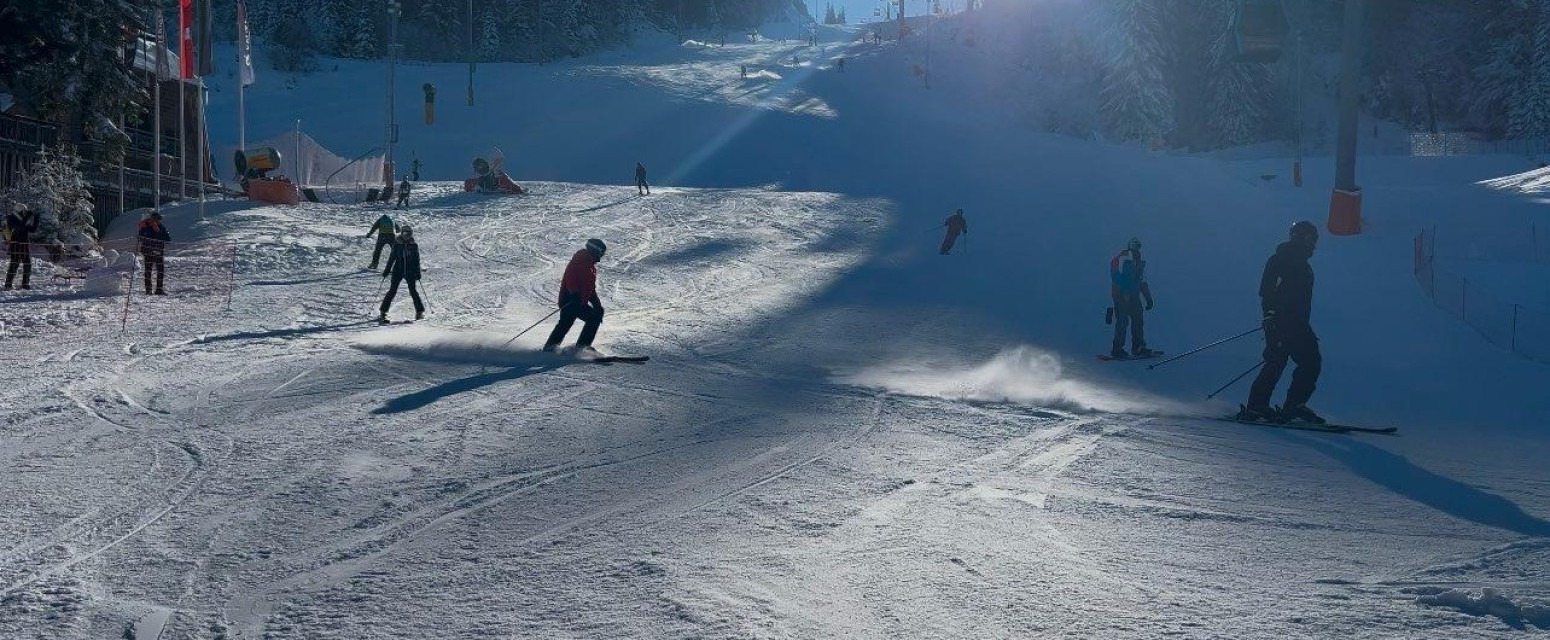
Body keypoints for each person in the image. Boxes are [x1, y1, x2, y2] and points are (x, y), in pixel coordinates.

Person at [1240, 220, 1323, 424]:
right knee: (1278, 360)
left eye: (1314, 240)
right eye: (1310, 239)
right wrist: (1269, 314)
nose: (1313, 244)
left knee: (1310, 361)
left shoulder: (1304, 265)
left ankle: (1294, 405)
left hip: (1298, 323)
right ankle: (1257, 405)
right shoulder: (1280, 259)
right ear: (1299, 237)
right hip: (1280, 320)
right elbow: (1267, 289)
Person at [544, 238, 607, 353]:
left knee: (566, 322)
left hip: (577, 301)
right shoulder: (580, 261)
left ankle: (550, 347)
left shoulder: (590, 267)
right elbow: (570, 278)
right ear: (595, 250)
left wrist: (597, 305)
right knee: (592, 318)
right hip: (570, 299)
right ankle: (582, 347)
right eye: (602, 252)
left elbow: (590, 289)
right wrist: (574, 293)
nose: (602, 256)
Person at [1109, 237, 1155, 358]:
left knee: (1138, 319)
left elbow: (1142, 282)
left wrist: (1148, 298)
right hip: (1121, 295)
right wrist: (1125, 292)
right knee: (1122, 320)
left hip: (1134, 295)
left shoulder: (1139, 262)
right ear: (1130, 245)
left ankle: (1138, 346)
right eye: (1134, 245)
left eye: (1138, 246)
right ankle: (1117, 348)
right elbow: (1116, 276)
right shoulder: (1123, 258)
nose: (1136, 248)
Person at [379, 225, 424, 322]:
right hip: (398, 271)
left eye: (408, 233)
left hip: (410, 271)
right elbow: (391, 258)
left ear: (411, 234)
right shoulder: (397, 244)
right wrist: (387, 270)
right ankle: (383, 311)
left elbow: (416, 260)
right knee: (392, 290)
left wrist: (417, 272)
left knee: (413, 291)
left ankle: (419, 312)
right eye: (404, 233)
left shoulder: (413, 245)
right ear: (401, 233)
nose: (406, 235)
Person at [4, 204, 39, 290]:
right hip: (16, 244)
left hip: (24, 245)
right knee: (14, 264)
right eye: (23, 212)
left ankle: (25, 284)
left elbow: (33, 229)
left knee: (27, 264)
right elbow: (19, 227)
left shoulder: (22, 220)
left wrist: (36, 218)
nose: (24, 213)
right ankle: (8, 284)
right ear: (18, 211)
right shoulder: (11, 218)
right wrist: (28, 216)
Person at [139, 210, 171, 295]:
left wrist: (158, 232)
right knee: (156, 271)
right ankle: (154, 290)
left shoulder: (155, 227)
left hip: (151, 252)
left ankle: (152, 290)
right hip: (154, 252)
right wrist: (157, 232)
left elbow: (168, 239)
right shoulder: (146, 227)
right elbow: (167, 238)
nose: (156, 221)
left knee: (151, 271)